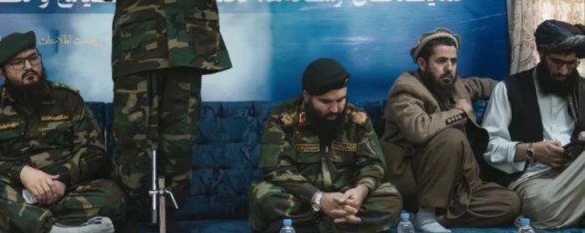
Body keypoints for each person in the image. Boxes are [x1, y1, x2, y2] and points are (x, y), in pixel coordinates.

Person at [90, 0, 241, 219]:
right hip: (136, 58)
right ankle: (133, 218)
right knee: (132, 141)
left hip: (185, 55)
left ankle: (169, 217)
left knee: (178, 141)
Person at [0, 31, 124, 233]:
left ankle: (13, 222)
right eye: (17, 63)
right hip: (15, 190)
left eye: (33, 58)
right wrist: (23, 173)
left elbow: (93, 150)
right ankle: (53, 229)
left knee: (112, 195)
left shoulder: (68, 100)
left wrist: (63, 178)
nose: (29, 67)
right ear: (2, 73)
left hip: (64, 188)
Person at [380, 28, 520, 233]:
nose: (449, 68)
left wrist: (518, 90)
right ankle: (427, 212)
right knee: (452, 137)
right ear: (422, 63)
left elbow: (489, 86)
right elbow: (419, 130)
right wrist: (458, 113)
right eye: (441, 61)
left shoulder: (456, 85)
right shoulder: (406, 89)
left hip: (459, 184)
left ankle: (438, 218)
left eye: (453, 61)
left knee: (510, 203)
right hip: (418, 181)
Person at [249, 58, 402, 233]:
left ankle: (307, 227)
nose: (335, 109)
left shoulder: (357, 120)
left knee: (390, 197)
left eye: (341, 100)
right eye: (326, 102)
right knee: (264, 195)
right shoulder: (282, 119)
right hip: (303, 197)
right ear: (307, 96)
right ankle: (345, 224)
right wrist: (318, 198)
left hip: (345, 196)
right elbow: (276, 167)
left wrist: (361, 191)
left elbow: (373, 163)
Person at [481, 19, 585, 228]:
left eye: (571, 63)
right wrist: (531, 150)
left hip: (576, 176)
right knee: (542, 205)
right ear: (541, 53)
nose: (564, 71)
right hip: (534, 183)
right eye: (557, 62)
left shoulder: (582, 89)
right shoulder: (509, 89)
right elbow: (488, 147)